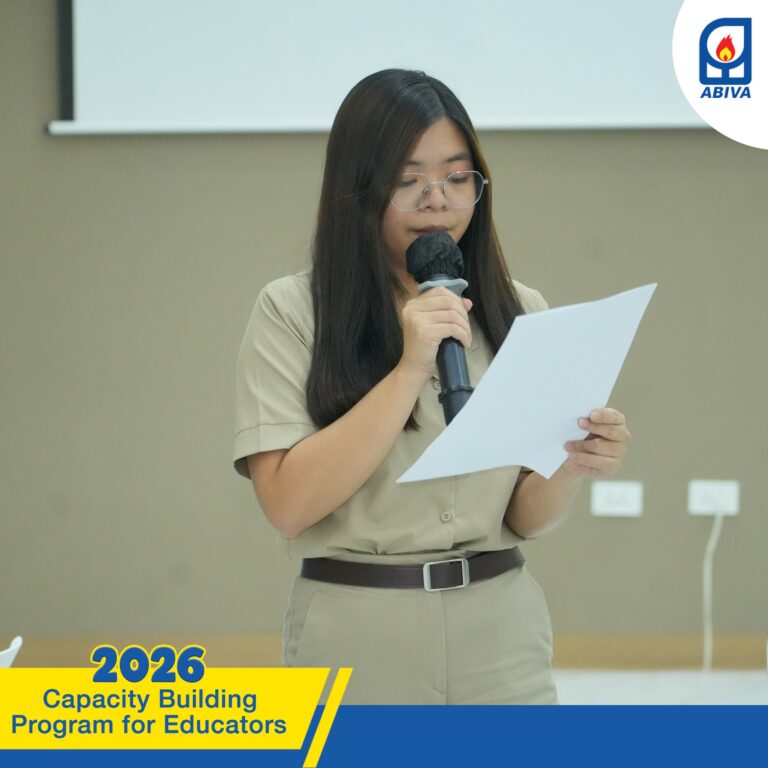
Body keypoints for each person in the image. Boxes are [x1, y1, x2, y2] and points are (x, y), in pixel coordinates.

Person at [233, 69, 630, 704]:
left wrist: (573, 462)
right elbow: (287, 504)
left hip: (502, 635)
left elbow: (524, 518)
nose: (436, 199)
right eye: (406, 180)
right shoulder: (292, 311)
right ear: (358, 187)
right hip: (357, 635)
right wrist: (409, 367)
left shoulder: (520, 310)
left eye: (457, 176)